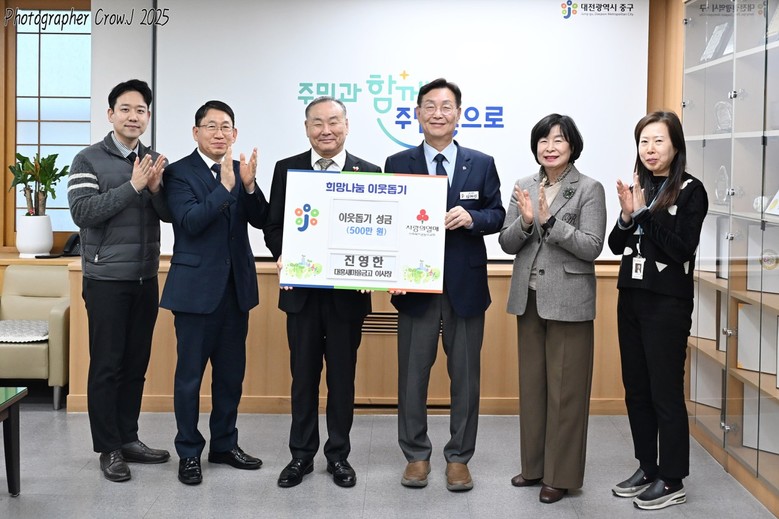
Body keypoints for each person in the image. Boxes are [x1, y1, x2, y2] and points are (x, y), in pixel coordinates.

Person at [385, 78, 504, 492]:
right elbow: (387, 222)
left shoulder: (481, 162)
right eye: (430, 106)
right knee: (412, 377)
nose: (438, 113)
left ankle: (459, 458)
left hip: (465, 287)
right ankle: (416, 455)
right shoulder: (397, 162)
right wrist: (391, 273)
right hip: (414, 286)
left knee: (466, 378)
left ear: (459, 114)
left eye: (446, 106)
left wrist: (473, 219)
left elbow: (498, 214)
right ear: (417, 113)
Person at [264, 96, 381, 488]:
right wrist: (284, 254)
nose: (326, 130)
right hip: (301, 295)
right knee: (303, 378)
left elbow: (377, 231)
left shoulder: (369, 172)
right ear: (306, 128)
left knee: (343, 380)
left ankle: (339, 456)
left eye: (333, 121)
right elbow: (273, 226)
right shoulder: (287, 169)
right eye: (317, 122)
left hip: (348, 297)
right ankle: (301, 456)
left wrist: (374, 266)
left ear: (347, 125)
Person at [498, 114, 606, 504]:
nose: (550, 147)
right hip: (528, 299)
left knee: (566, 394)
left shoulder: (589, 188)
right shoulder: (523, 186)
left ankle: (560, 476)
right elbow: (506, 242)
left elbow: (593, 246)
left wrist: (551, 222)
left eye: (558, 140)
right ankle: (533, 467)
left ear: (572, 146)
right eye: (543, 140)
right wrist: (527, 222)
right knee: (533, 389)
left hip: (569, 301)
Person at [160, 100, 269, 485]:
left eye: (226, 127)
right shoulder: (178, 173)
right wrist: (224, 188)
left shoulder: (240, 170)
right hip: (194, 292)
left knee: (230, 376)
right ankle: (189, 452)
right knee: (189, 377)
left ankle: (224, 444)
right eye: (211, 126)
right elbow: (190, 221)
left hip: (235, 290)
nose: (219, 133)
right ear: (196, 132)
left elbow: (262, 219)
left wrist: (249, 185)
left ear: (234, 133)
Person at [68, 79, 172, 482]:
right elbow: (83, 213)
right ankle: (108, 447)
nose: (133, 117)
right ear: (111, 114)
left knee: (135, 364)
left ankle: (129, 437)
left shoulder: (154, 159)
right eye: (125, 109)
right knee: (107, 365)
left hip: (145, 277)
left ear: (148, 116)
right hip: (106, 279)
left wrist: (157, 189)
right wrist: (133, 186)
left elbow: (167, 214)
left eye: (141, 110)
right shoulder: (88, 160)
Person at [608, 111, 708, 510]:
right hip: (631, 298)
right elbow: (616, 245)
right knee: (637, 389)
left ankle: (673, 478)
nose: (649, 149)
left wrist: (644, 213)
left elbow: (681, 248)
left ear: (676, 146)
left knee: (665, 391)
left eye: (658, 141)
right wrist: (627, 214)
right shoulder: (640, 187)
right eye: (643, 142)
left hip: (667, 303)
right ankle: (648, 467)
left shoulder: (690, 190)